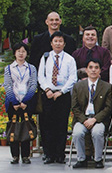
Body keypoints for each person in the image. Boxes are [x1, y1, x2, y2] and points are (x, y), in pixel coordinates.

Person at [37, 31, 77, 164]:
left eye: (60, 41)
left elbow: (73, 78)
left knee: (61, 125)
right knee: (47, 125)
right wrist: (47, 89)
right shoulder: (45, 57)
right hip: (48, 94)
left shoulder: (70, 59)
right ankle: (49, 154)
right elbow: (40, 76)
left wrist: (62, 91)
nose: (58, 43)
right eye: (55, 41)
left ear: (64, 44)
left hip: (63, 95)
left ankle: (60, 155)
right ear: (51, 43)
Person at [70, 59, 112, 168]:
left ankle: (98, 159)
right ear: (86, 70)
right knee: (77, 133)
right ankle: (81, 159)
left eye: (96, 68)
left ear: (100, 70)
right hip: (82, 119)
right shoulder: (78, 86)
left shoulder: (107, 87)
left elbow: (108, 108)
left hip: (98, 119)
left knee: (97, 132)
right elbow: (74, 107)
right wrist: (84, 120)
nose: (93, 70)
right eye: (91, 67)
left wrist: (94, 119)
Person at [4, 42, 38, 164]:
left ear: (26, 53)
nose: (21, 53)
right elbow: (7, 85)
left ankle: (25, 155)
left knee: (26, 127)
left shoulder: (31, 68)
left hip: (26, 103)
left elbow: (33, 85)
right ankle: (14, 156)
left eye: (23, 51)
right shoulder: (8, 68)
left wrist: (25, 101)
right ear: (14, 53)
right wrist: (14, 101)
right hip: (12, 103)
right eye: (18, 51)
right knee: (13, 128)